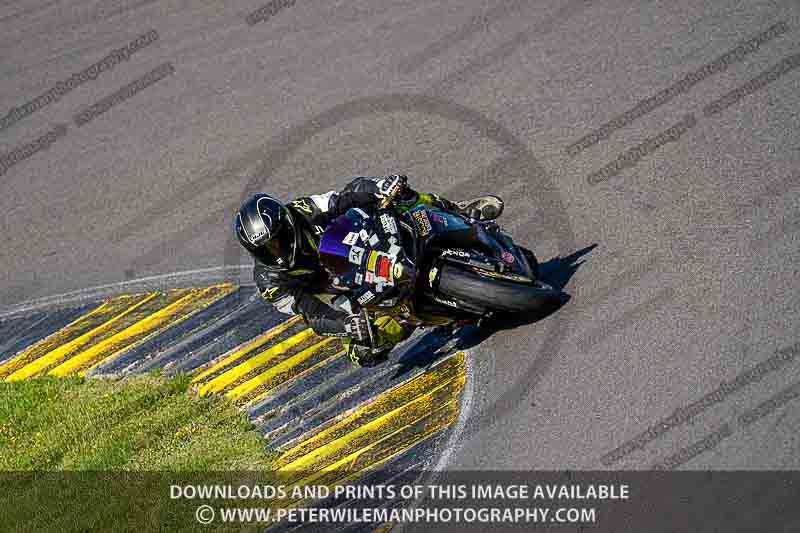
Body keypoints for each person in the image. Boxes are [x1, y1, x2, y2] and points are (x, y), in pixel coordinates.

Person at [234, 175, 504, 367]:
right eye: (265, 249)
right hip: (350, 289)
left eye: (276, 240)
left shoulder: (304, 210)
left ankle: (456, 210)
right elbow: (311, 313)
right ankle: (424, 317)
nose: (275, 251)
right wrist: (346, 325)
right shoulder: (270, 281)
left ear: (286, 224)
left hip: (364, 244)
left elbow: (344, 198)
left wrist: (380, 189)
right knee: (362, 353)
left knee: (388, 194)